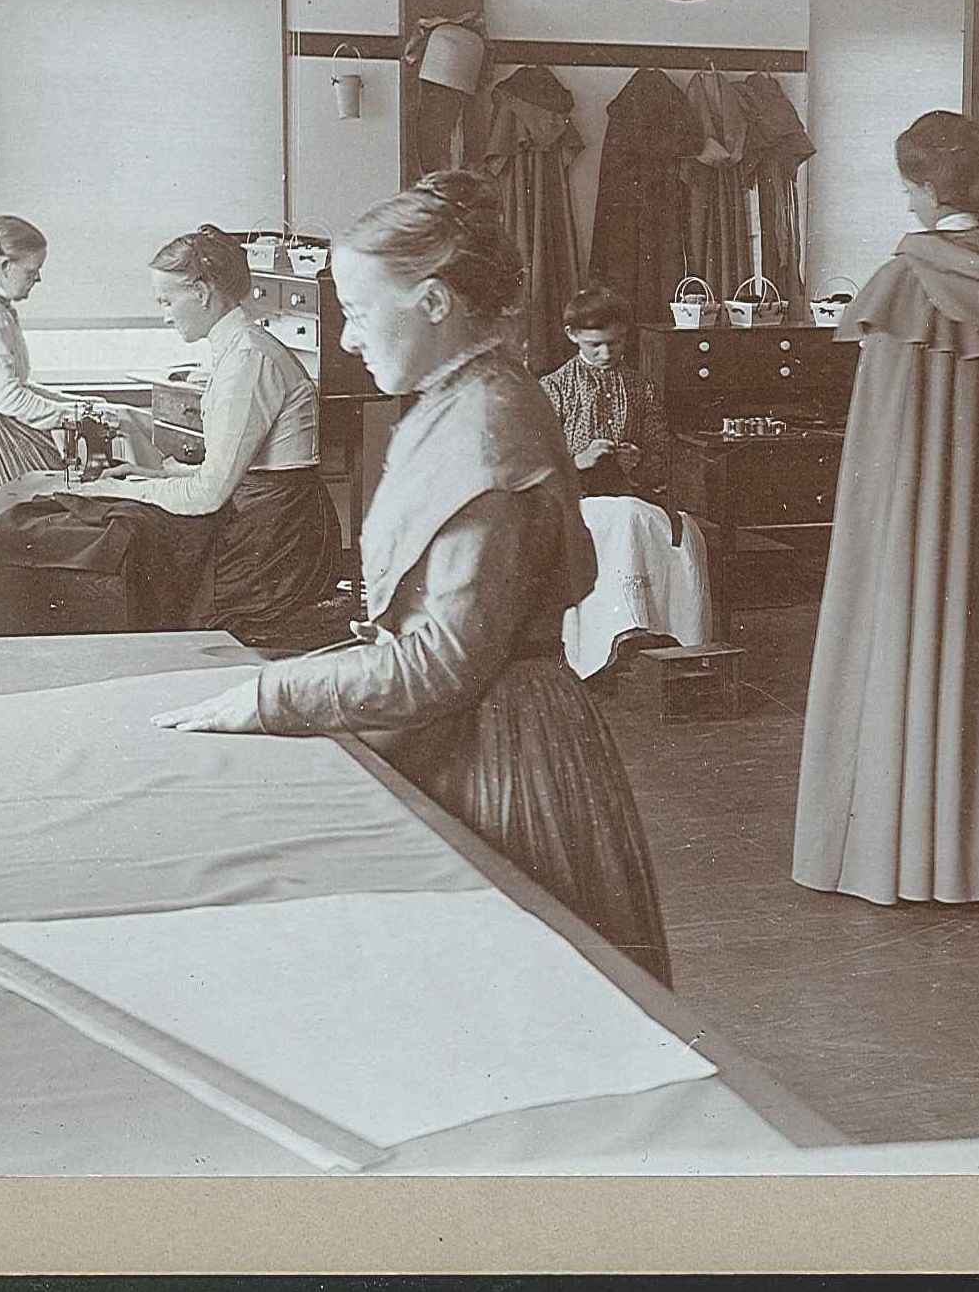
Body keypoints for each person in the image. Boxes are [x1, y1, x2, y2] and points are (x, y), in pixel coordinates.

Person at [148, 173, 673, 984]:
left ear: (433, 303)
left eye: (357, 312)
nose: (349, 339)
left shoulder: (492, 423)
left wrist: (266, 697)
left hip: (503, 753)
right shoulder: (455, 398)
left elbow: (441, 663)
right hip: (469, 729)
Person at [791, 110, 979, 907]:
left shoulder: (901, 284)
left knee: (903, 640)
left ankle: (903, 849)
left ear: (922, 188)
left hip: (915, 522)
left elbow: (881, 442)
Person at [72, 228, 345, 642]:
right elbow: (231, 471)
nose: (164, 314)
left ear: (201, 292)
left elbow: (209, 494)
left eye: (167, 300)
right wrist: (154, 477)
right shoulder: (238, 348)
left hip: (275, 537)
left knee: (148, 562)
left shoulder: (248, 360)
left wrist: (122, 491)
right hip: (263, 511)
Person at [536, 287, 713, 679]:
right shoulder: (554, 389)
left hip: (630, 491)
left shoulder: (641, 387)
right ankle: (611, 641)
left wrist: (638, 460)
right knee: (624, 521)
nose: (606, 353)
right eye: (596, 344)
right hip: (574, 500)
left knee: (681, 533)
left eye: (615, 343)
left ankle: (669, 642)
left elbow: (660, 459)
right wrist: (578, 461)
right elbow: (533, 463)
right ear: (572, 335)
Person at [0, 215, 105, 488]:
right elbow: (10, 399)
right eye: (31, 270)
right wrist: (74, 412)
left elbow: (15, 386)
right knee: (65, 481)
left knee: (84, 451)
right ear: (5, 266)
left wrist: (75, 403)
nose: (38, 278)